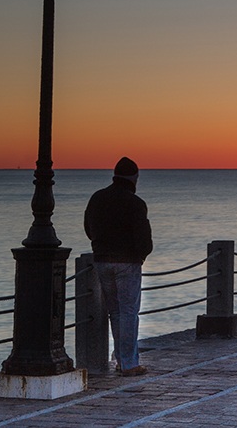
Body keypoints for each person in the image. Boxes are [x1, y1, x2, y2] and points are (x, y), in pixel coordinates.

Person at [84, 156, 154, 376]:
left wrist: (99, 246)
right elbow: (144, 239)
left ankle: (121, 360)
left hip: (102, 261)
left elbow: (88, 227)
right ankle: (129, 363)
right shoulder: (136, 203)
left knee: (115, 312)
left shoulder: (97, 198)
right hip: (127, 263)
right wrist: (141, 255)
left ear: (115, 175)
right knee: (129, 312)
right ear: (135, 178)